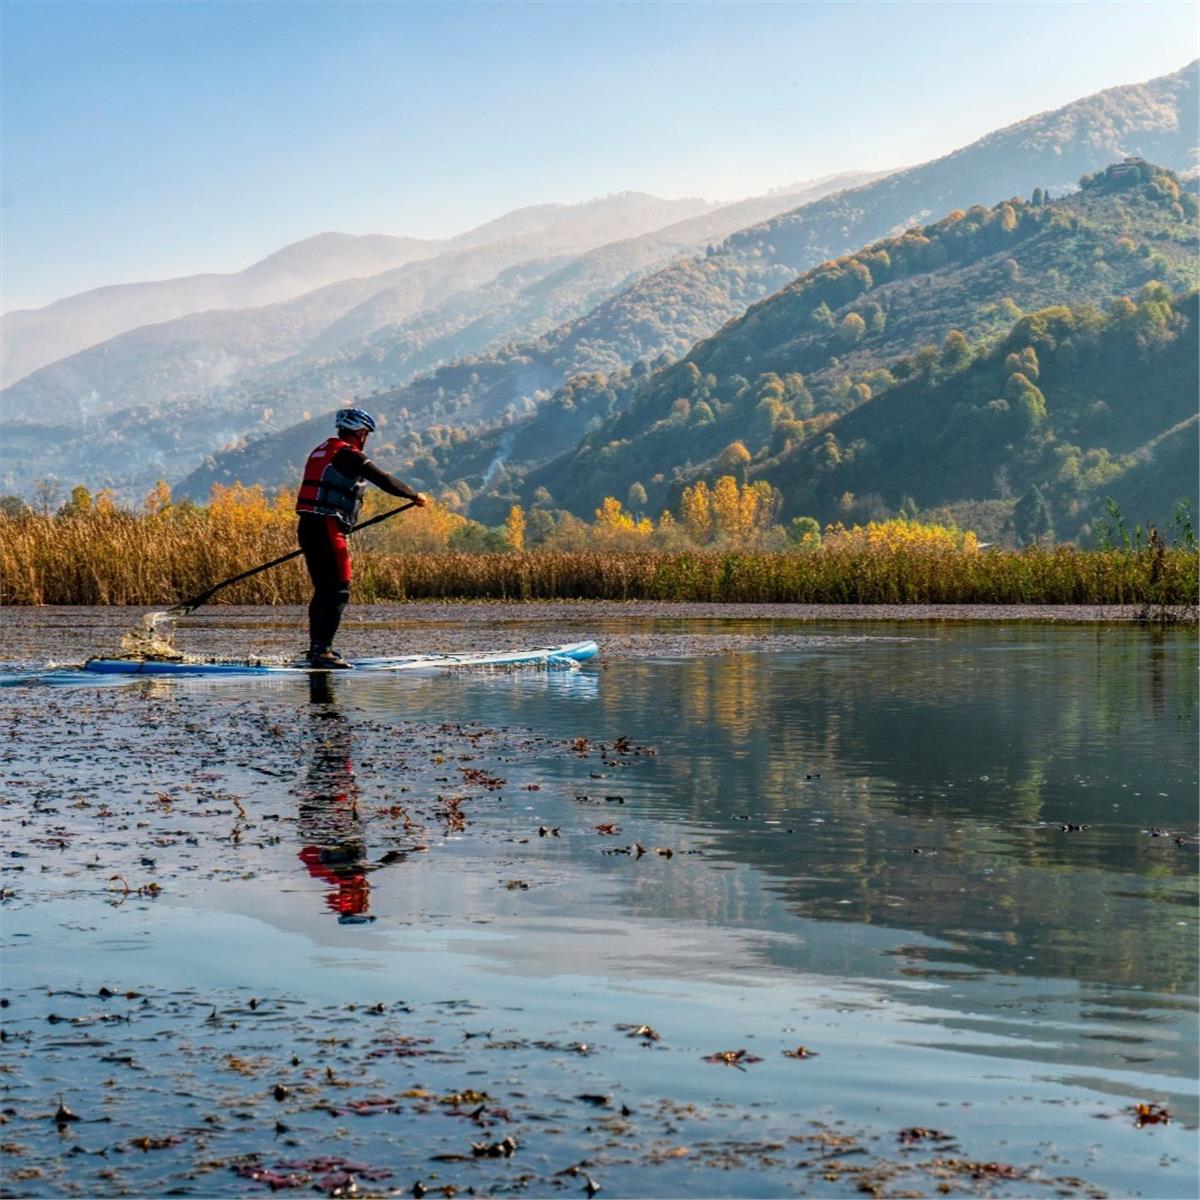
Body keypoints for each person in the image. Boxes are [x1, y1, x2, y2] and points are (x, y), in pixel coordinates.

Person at [295, 407, 425, 668]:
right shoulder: (346, 454)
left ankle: (317, 650)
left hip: (309, 526)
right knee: (339, 588)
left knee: (324, 590)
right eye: (366, 433)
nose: (366, 438)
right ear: (361, 432)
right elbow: (383, 479)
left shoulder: (323, 449)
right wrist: (413, 495)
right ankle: (323, 652)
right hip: (327, 526)